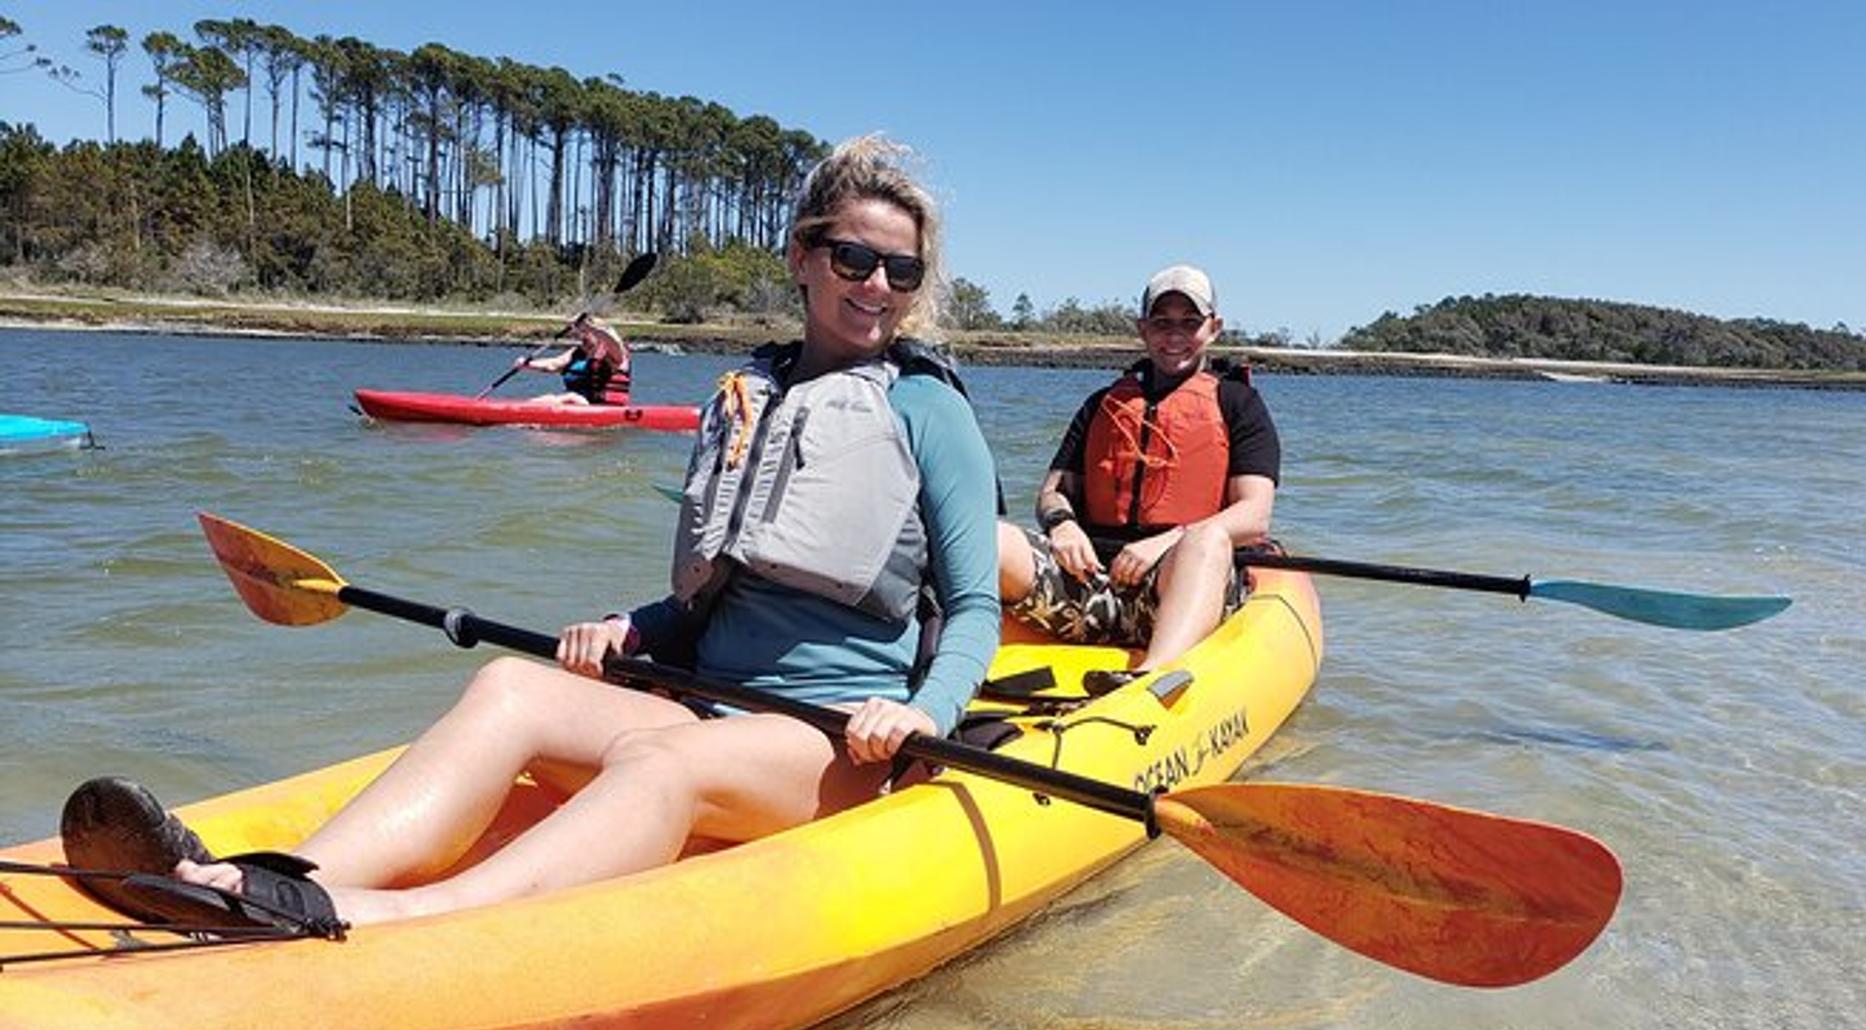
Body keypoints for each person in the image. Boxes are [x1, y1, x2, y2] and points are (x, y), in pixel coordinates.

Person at [61, 134, 1001, 933]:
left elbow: (969, 608)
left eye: (901, 270)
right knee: (512, 684)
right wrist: (631, 630)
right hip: (703, 699)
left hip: (833, 740)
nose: (877, 284)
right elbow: (712, 594)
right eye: (854, 259)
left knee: (661, 761)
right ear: (802, 257)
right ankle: (277, 879)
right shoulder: (750, 399)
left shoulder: (928, 411)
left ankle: (384, 920)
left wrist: (925, 711)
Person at [997, 265, 1280, 695]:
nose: (1175, 335)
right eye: (1162, 323)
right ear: (1143, 329)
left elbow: (1254, 516)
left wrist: (1166, 542)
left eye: (1190, 322)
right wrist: (1063, 524)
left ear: (1214, 328)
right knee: (989, 535)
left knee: (1206, 541)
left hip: (1175, 584)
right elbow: (1053, 492)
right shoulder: (1102, 404)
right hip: (1092, 585)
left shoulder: (1240, 404)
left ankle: (1153, 678)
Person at [519, 312, 632, 406]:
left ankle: (520, 412)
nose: (581, 337)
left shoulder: (614, 352)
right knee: (552, 397)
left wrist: (590, 327)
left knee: (572, 397)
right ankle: (521, 410)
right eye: (580, 333)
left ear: (597, 334)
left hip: (609, 408)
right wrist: (527, 364)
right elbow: (554, 364)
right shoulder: (578, 352)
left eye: (585, 333)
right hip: (587, 403)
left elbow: (610, 339)